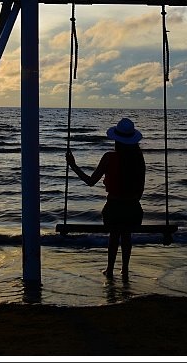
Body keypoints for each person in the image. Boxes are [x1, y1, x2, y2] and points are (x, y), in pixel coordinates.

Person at [66, 117, 146, 280]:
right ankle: (124, 269)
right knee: (126, 234)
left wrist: (73, 166)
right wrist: (130, 199)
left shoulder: (109, 157)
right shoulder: (138, 159)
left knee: (114, 234)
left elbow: (90, 181)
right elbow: (141, 189)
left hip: (113, 209)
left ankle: (110, 269)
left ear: (116, 139)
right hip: (133, 211)